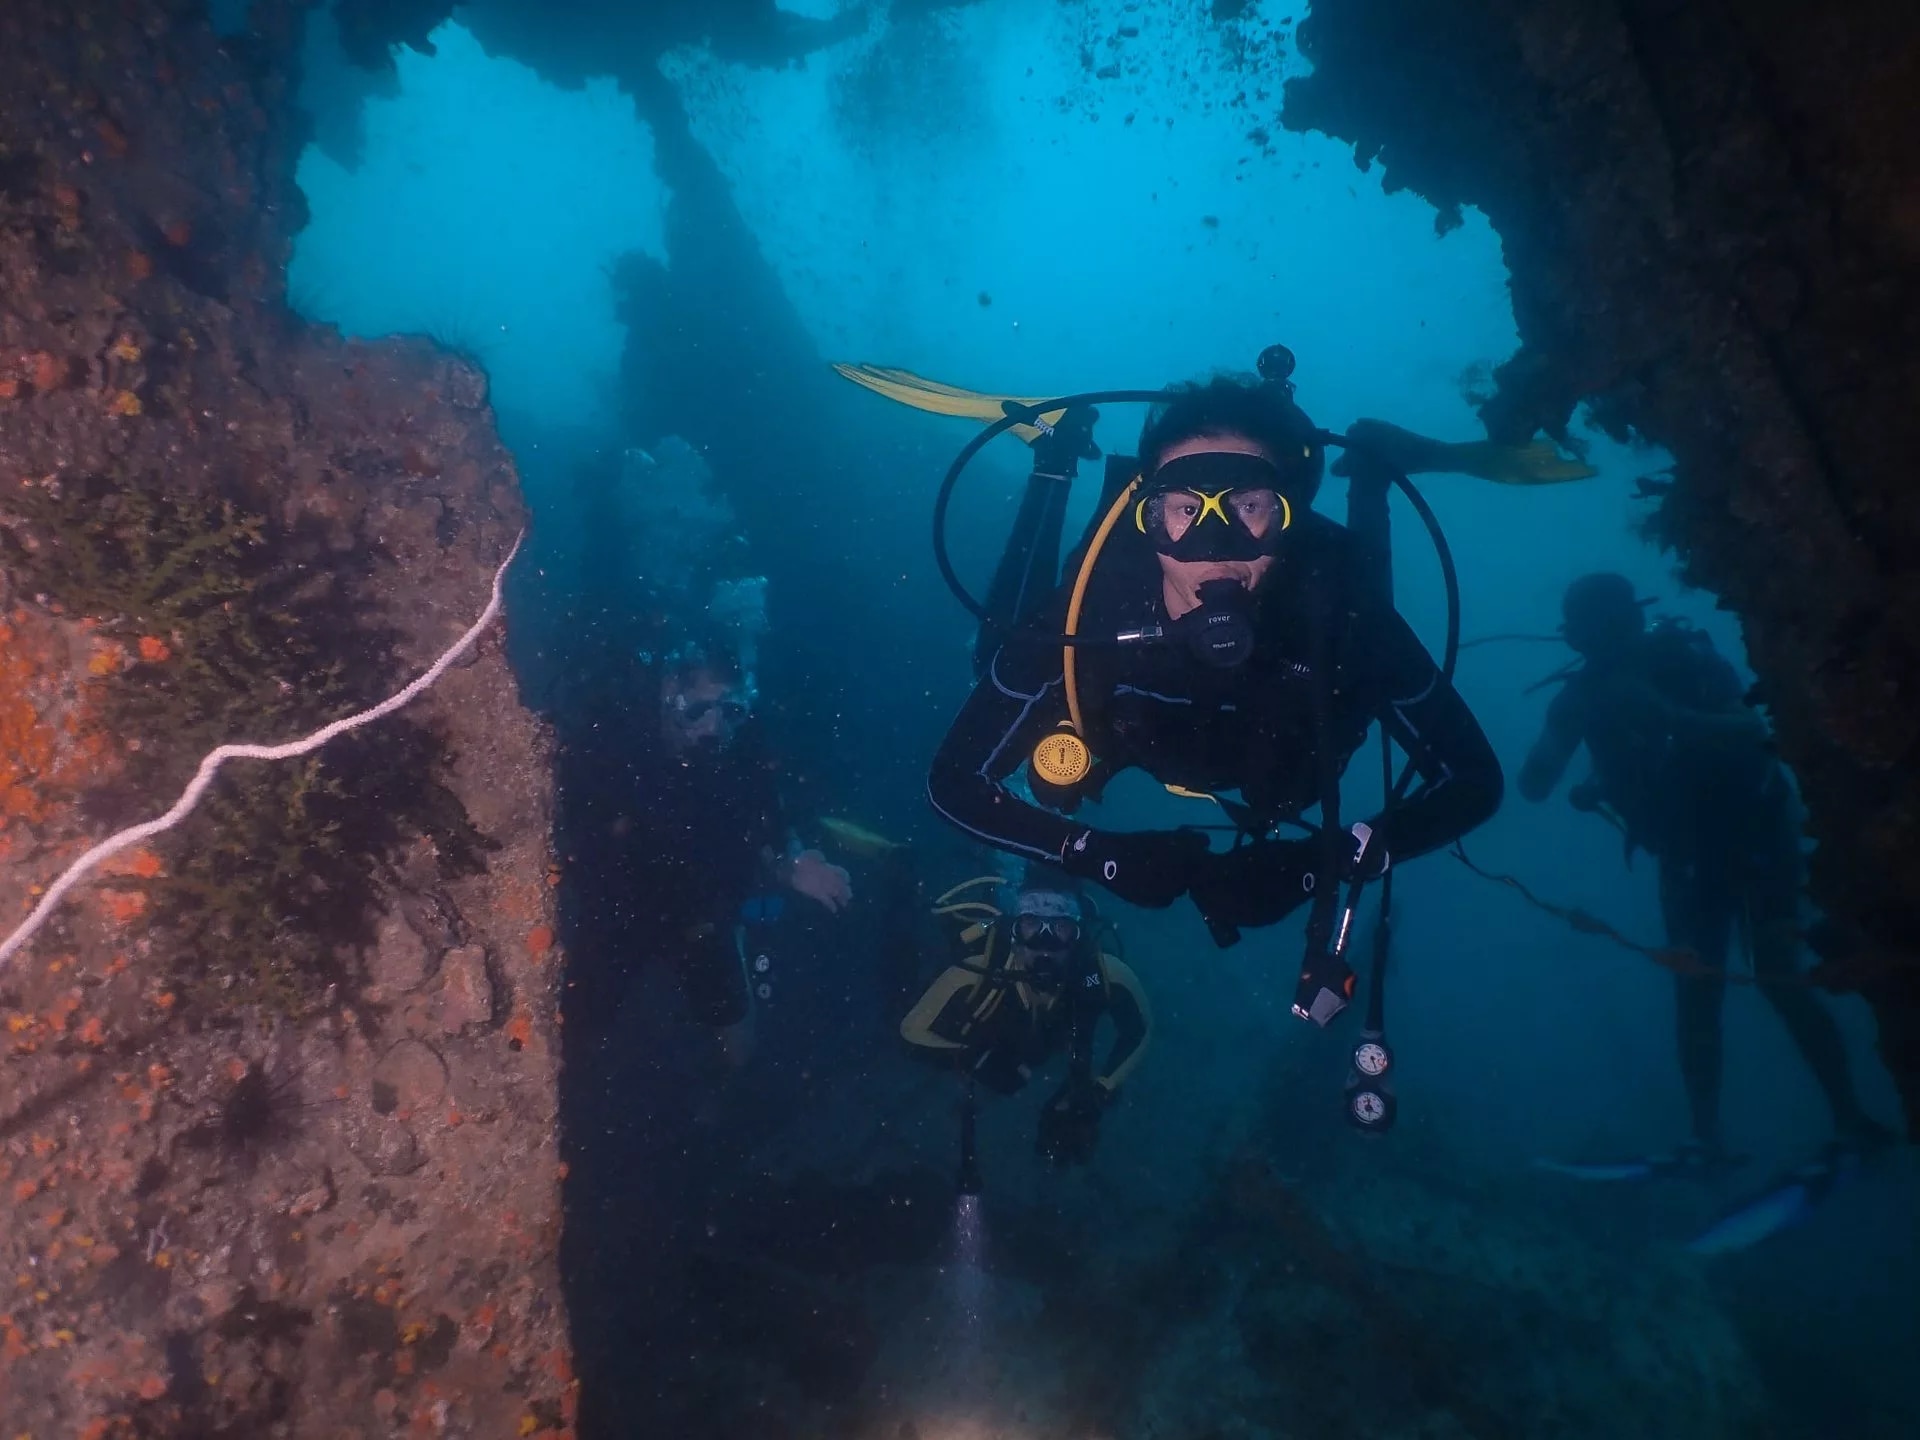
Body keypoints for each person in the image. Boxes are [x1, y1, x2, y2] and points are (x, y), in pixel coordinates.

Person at [925, 372, 1503, 1016]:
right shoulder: (1094, 607)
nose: (1215, 547)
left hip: (1282, 765)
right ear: (1150, 518)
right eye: (1183, 510)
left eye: (1249, 506)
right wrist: (1097, 854)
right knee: (997, 656)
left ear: (1288, 515)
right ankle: (1057, 461)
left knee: (1355, 600)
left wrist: (1319, 862)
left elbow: (1473, 780)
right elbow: (954, 781)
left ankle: (1372, 478)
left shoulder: (1339, 617)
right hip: (1124, 738)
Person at [1518, 572, 1891, 1166]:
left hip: (1755, 835)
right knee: (1697, 988)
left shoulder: (1684, 658)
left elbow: (1754, 729)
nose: (1604, 643)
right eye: (1593, 634)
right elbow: (1534, 785)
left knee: (1777, 973)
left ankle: (1849, 1117)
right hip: (1687, 856)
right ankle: (1705, 1138)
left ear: (1633, 623)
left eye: (1610, 628)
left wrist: (1665, 713)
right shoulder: (1580, 699)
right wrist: (1573, 741)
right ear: (1577, 640)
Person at [900, 870, 1150, 1166]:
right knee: (897, 987)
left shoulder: (1105, 973)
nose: (1045, 942)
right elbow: (909, 1031)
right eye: (1030, 925)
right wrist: (975, 1060)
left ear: (1078, 935)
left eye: (1061, 928)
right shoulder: (978, 968)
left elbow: (1138, 1029)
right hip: (990, 1035)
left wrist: (1098, 1091)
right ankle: (901, 875)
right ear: (1013, 931)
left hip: (1035, 1041)